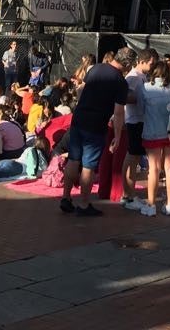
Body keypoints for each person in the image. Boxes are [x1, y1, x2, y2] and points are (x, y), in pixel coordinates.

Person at [60, 46, 134, 216]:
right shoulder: (120, 82)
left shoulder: (96, 68)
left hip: (79, 119)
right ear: (128, 65)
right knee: (88, 165)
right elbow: (118, 111)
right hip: (96, 125)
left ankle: (66, 197)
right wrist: (117, 135)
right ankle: (84, 204)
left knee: (73, 159)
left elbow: (81, 89)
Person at [138, 61, 170, 216]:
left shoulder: (145, 88)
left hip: (152, 132)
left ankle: (151, 205)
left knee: (153, 169)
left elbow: (140, 109)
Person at [120, 48, 154, 211]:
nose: (152, 66)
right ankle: (127, 195)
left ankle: (130, 194)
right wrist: (142, 98)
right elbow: (124, 97)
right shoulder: (133, 77)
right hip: (134, 121)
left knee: (134, 157)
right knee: (132, 157)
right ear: (142, 61)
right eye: (151, 63)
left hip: (140, 120)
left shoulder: (142, 77)